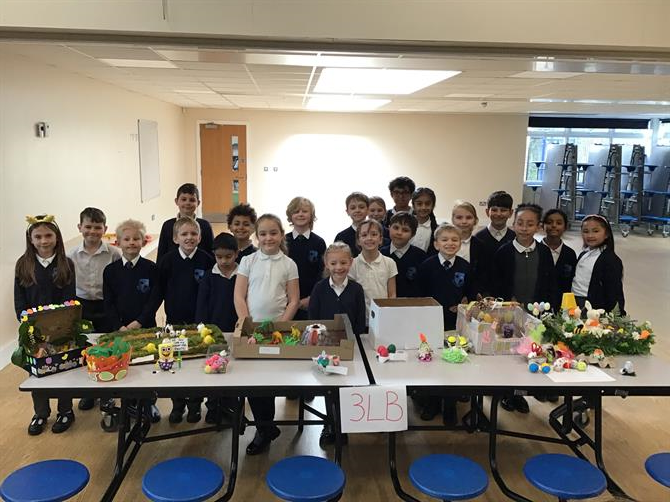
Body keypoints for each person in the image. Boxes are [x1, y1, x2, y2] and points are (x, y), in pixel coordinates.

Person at [234, 214, 300, 455]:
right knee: (253, 382)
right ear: (257, 236)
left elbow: (293, 300)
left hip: (277, 332)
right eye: (263, 234)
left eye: (273, 233)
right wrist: (247, 324)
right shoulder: (248, 261)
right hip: (252, 329)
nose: (268, 238)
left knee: (269, 381)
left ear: (281, 235)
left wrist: (279, 328)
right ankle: (265, 428)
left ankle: (265, 428)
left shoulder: (289, 264)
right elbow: (239, 295)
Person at [14, 215, 77, 435]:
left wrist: (60, 328)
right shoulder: (23, 265)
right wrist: (28, 326)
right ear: (30, 239)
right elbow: (20, 301)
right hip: (33, 331)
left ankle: (66, 410)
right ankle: (40, 413)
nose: (44, 241)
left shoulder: (66, 264)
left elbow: (69, 300)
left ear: (57, 237)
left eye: (48, 235)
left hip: (61, 331)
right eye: (38, 237)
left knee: (63, 368)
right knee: (37, 372)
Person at [492, 203, 556, 414]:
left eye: (530, 224)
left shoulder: (544, 252)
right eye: (520, 223)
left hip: (536, 314)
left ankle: (532, 388)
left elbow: (549, 282)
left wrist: (546, 309)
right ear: (514, 224)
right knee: (511, 354)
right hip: (510, 314)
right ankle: (511, 395)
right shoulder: (504, 251)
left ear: (538, 227)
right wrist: (507, 302)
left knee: (534, 350)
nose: (524, 228)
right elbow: (498, 283)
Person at [154, 216, 215, 424]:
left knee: (197, 363)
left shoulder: (207, 260)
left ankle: (195, 405)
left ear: (200, 237)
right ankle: (177, 404)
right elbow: (160, 290)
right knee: (175, 363)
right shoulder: (167, 261)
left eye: (193, 233)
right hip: (174, 322)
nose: (189, 237)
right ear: (175, 238)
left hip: (199, 324)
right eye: (184, 234)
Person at [103, 218, 161, 422]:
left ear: (143, 242)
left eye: (136, 238)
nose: (131, 243)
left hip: (145, 326)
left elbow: (155, 299)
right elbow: (108, 302)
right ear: (118, 242)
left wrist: (139, 322)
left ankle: (149, 403)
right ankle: (128, 404)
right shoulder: (110, 271)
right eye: (126, 239)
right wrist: (118, 326)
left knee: (147, 364)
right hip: (120, 329)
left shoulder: (151, 268)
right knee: (124, 365)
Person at [308, 241, 366, 445]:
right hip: (325, 347)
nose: (338, 267)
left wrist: (354, 343)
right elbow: (313, 318)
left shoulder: (357, 289)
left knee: (346, 386)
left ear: (351, 262)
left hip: (349, 348)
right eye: (333, 263)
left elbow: (360, 321)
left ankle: (343, 426)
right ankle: (330, 425)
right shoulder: (319, 288)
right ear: (326, 263)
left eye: (343, 262)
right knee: (329, 387)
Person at [416, 223, 473, 424]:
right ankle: (431, 402)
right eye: (445, 239)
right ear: (436, 244)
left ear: (460, 243)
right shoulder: (427, 266)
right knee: (431, 362)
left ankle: (450, 405)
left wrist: (463, 305)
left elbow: (470, 294)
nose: (450, 243)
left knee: (452, 363)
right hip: (429, 322)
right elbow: (419, 295)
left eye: (454, 240)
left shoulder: (465, 266)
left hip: (454, 324)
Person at [68, 207, 121, 412]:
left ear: (105, 229)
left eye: (97, 227)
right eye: (88, 226)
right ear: (79, 227)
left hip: (105, 305)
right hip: (82, 306)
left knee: (106, 349)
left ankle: (107, 394)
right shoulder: (71, 255)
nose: (92, 231)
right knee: (86, 349)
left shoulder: (113, 254)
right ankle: (89, 392)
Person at [195, 232, 239, 424]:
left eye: (228, 256)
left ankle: (231, 407)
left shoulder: (243, 275)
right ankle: (213, 407)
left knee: (235, 371)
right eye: (219, 257)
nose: (223, 261)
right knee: (214, 369)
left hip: (236, 330)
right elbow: (201, 305)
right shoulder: (209, 276)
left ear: (236, 254)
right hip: (214, 333)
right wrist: (202, 328)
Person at [572, 214, 625, 314]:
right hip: (574, 301)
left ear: (606, 234)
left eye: (595, 231)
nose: (590, 235)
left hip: (591, 305)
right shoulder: (583, 254)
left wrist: (616, 313)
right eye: (586, 231)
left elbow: (614, 291)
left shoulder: (610, 259)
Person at [285, 197, 326, 320]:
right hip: (285, 300)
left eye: (304, 211)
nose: (300, 214)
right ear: (290, 216)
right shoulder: (283, 241)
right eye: (296, 211)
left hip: (311, 300)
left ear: (311, 215)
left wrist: (311, 297)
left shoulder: (319, 242)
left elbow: (322, 272)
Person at [348, 219, 397, 320]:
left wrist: (389, 315)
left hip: (383, 317)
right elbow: (351, 295)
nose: (369, 238)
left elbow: (392, 294)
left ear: (380, 239)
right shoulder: (352, 264)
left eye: (374, 234)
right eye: (364, 235)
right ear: (358, 241)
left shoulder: (389, 263)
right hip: (360, 318)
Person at [157, 183, 214, 261]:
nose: (187, 203)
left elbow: (211, 253)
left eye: (192, 200)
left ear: (198, 203)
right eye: (184, 199)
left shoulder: (205, 225)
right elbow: (161, 254)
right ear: (176, 201)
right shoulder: (167, 226)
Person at [451, 201, 493, 297]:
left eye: (469, 217)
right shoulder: (444, 244)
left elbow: (483, 274)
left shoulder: (481, 246)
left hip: (471, 294)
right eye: (459, 217)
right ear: (453, 220)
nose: (464, 221)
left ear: (475, 220)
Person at [381, 212, 427, 298]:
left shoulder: (421, 256)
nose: (399, 233)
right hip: (385, 302)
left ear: (413, 234)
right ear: (389, 228)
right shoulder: (380, 254)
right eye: (396, 228)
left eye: (405, 230)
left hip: (412, 303)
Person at [542, 209, 577, 309]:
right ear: (542, 225)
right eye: (549, 222)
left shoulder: (570, 254)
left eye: (559, 223)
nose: (554, 225)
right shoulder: (535, 251)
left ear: (565, 227)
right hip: (538, 306)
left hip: (561, 306)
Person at [334, 192, 369, 258]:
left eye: (361, 207)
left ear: (368, 210)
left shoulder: (376, 233)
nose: (357, 210)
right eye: (353, 208)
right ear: (347, 212)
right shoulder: (341, 237)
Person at [410, 187, 438, 254]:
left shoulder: (436, 230)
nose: (423, 207)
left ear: (433, 206)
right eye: (419, 204)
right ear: (413, 205)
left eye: (427, 204)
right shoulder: (406, 225)